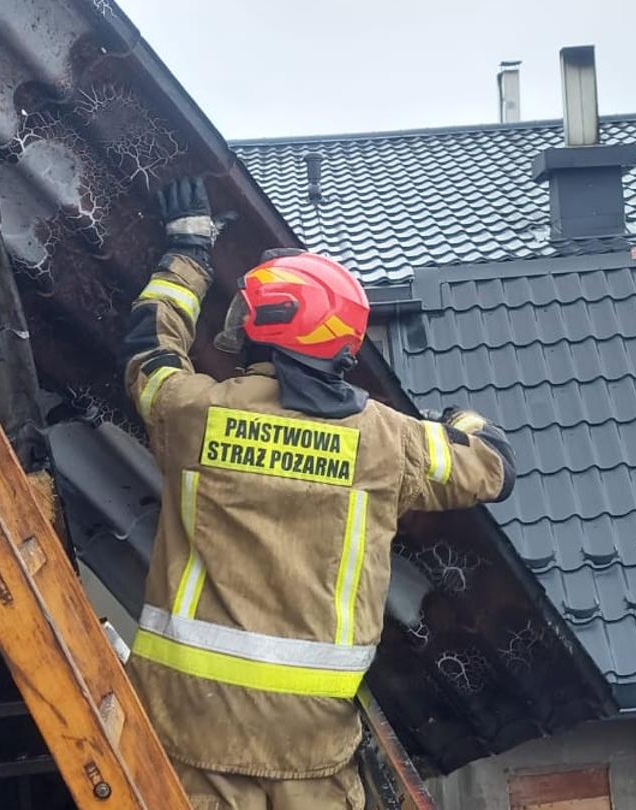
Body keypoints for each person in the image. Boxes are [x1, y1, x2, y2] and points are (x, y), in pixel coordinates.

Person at [121, 177, 514, 808]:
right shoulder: (388, 442)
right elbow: (490, 466)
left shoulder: (192, 413)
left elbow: (149, 351)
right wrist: (464, 423)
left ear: (263, 327)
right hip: (312, 742)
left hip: (186, 723)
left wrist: (188, 254)